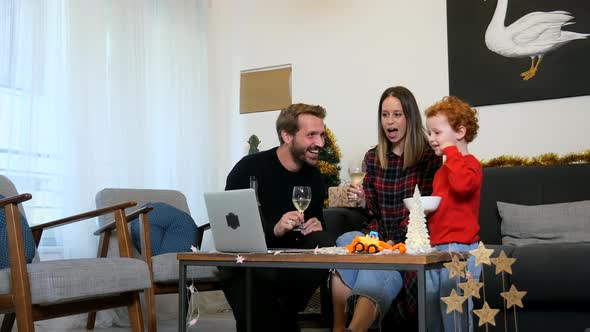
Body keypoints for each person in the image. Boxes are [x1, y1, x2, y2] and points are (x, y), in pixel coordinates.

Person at [332, 86, 442, 332]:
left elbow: (422, 208)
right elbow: (372, 208)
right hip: (378, 240)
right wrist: (362, 200)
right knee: (346, 240)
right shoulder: (373, 157)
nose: (389, 121)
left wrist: (394, 243)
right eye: (384, 115)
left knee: (376, 264)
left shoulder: (428, 157)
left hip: (409, 243)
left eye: (397, 114)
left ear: (410, 118)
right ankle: (340, 327)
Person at [222, 103, 336, 332]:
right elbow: (232, 227)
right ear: (287, 136)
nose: (320, 143)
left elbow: (314, 221)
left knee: (325, 243)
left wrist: (315, 225)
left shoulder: (313, 175)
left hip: (290, 262)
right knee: (257, 305)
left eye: (321, 135)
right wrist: (274, 229)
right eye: (311, 135)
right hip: (250, 260)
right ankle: (282, 319)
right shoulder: (249, 168)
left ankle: (283, 315)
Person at [424, 96, 482, 332]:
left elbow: (462, 186)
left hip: (462, 251)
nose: (431, 139)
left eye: (437, 132)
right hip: (437, 249)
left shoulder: (470, 164)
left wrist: (451, 152)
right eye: (429, 133)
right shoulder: (442, 171)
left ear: (459, 132)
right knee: (431, 312)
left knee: (454, 314)